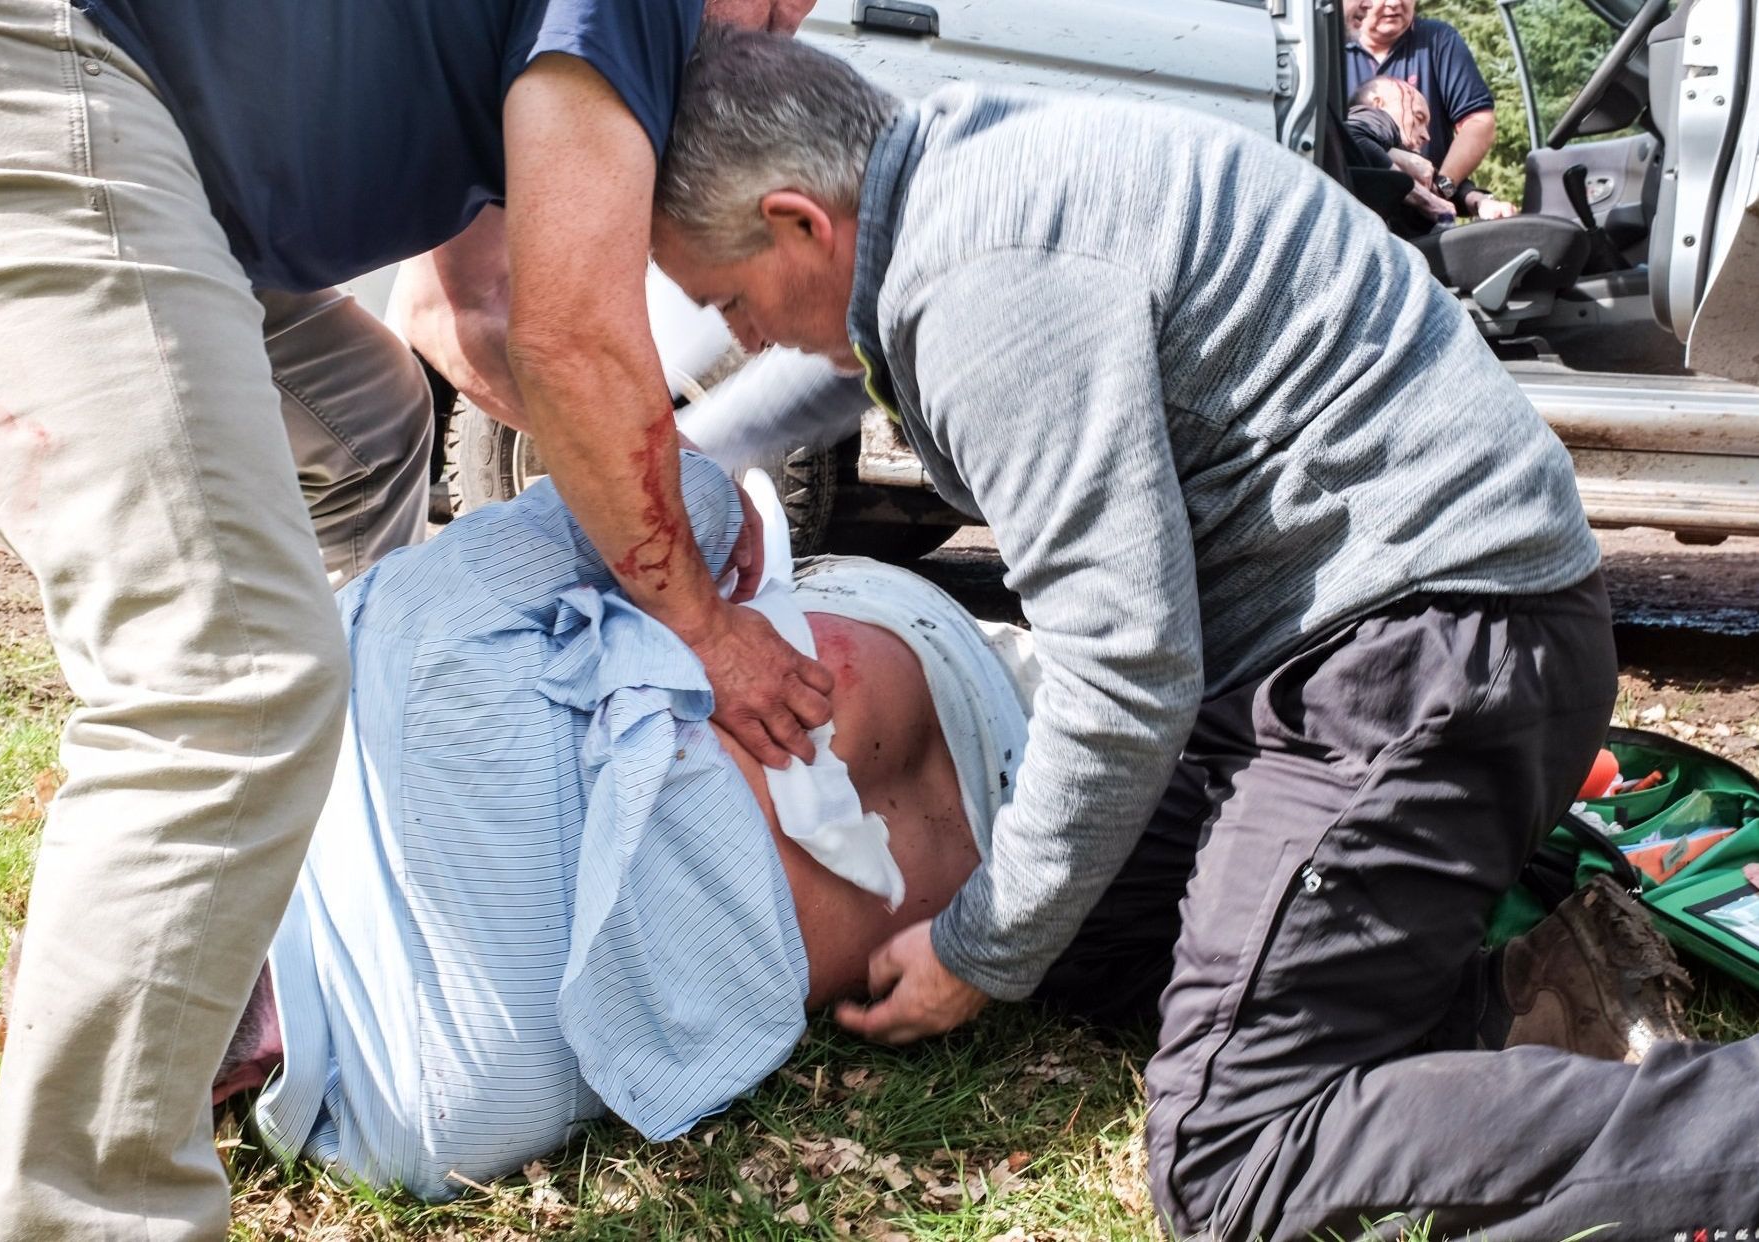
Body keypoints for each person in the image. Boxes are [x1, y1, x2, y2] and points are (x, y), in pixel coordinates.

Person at [647, 29, 1754, 1240]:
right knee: (1091, 940)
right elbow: (835, 360)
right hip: (1379, 643)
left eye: (727, 300)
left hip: (1432, 662)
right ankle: (1526, 1006)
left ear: (802, 221)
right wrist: (667, 469)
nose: (740, 337)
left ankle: (1724, 1132)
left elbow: (1125, 674)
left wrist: (974, 950)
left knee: (1230, 1162)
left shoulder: (986, 281)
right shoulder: (951, 182)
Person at [0, 2, 823, 1236]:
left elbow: (470, 317)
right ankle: (90, 1214)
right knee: (226, 678)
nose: (777, 28)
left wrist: (654, 507)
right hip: (52, 76)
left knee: (371, 429)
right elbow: (574, 345)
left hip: (175, 173)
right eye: (777, 3)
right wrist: (706, 625)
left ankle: (298, 855)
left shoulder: (546, 53)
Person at [226, 458, 1031, 1198]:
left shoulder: (413, 1135)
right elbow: (681, 494)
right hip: (923, 656)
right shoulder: (396, 651)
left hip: (993, 872)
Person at [1346, 0, 1499, 194]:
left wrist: (1441, 187)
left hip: (1426, 213)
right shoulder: (1331, 47)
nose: (1394, 4)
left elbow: (1478, 122)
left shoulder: (1438, 40)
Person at [1350, 76, 1518, 224]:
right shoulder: (1371, 117)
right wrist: (1427, 200)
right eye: (1418, 118)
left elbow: (1444, 187)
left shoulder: (1392, 150)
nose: (1426, 136)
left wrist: (1481, 201)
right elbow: (1354, 136)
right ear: (1379, 104)